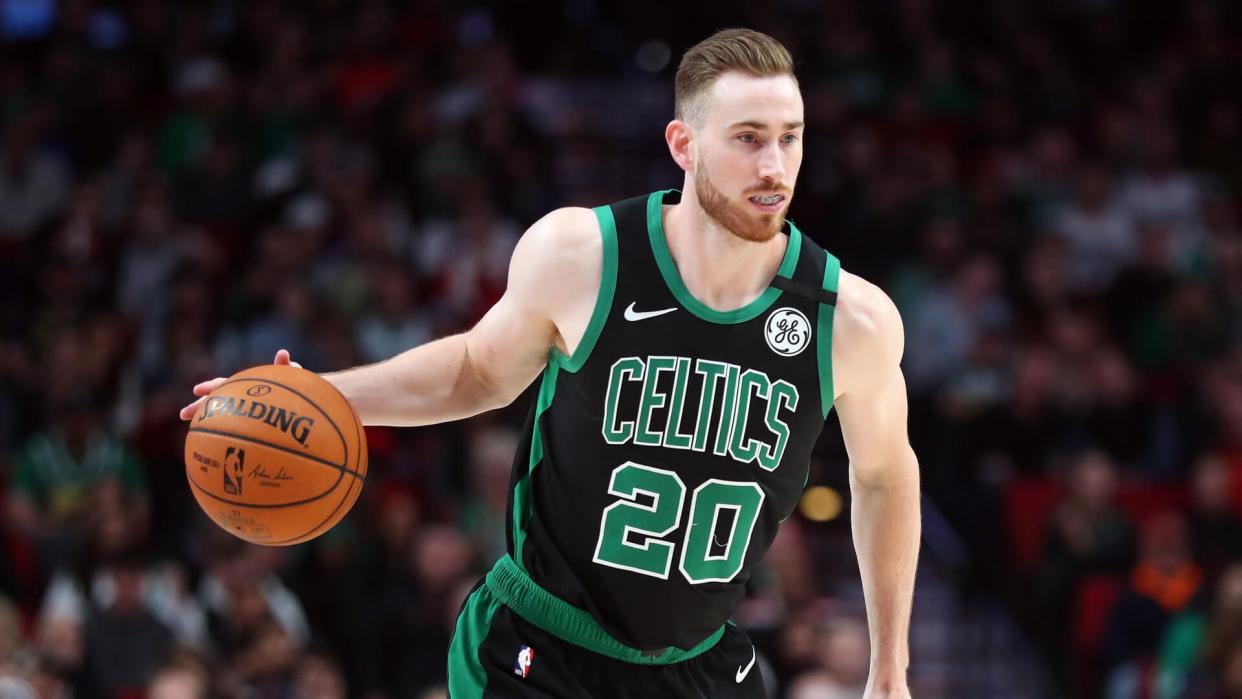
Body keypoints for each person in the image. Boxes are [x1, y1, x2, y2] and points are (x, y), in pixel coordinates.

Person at [181, 28, 920, 699]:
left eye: (790, 138)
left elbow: (885, 476)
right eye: (748, 138)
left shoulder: (849, 318)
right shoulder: (586, 255)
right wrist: (319, 393)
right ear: (684, 145)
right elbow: (477, 370)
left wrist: (889, 662)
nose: (773, 165)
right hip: (541, 646)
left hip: (695, 659)